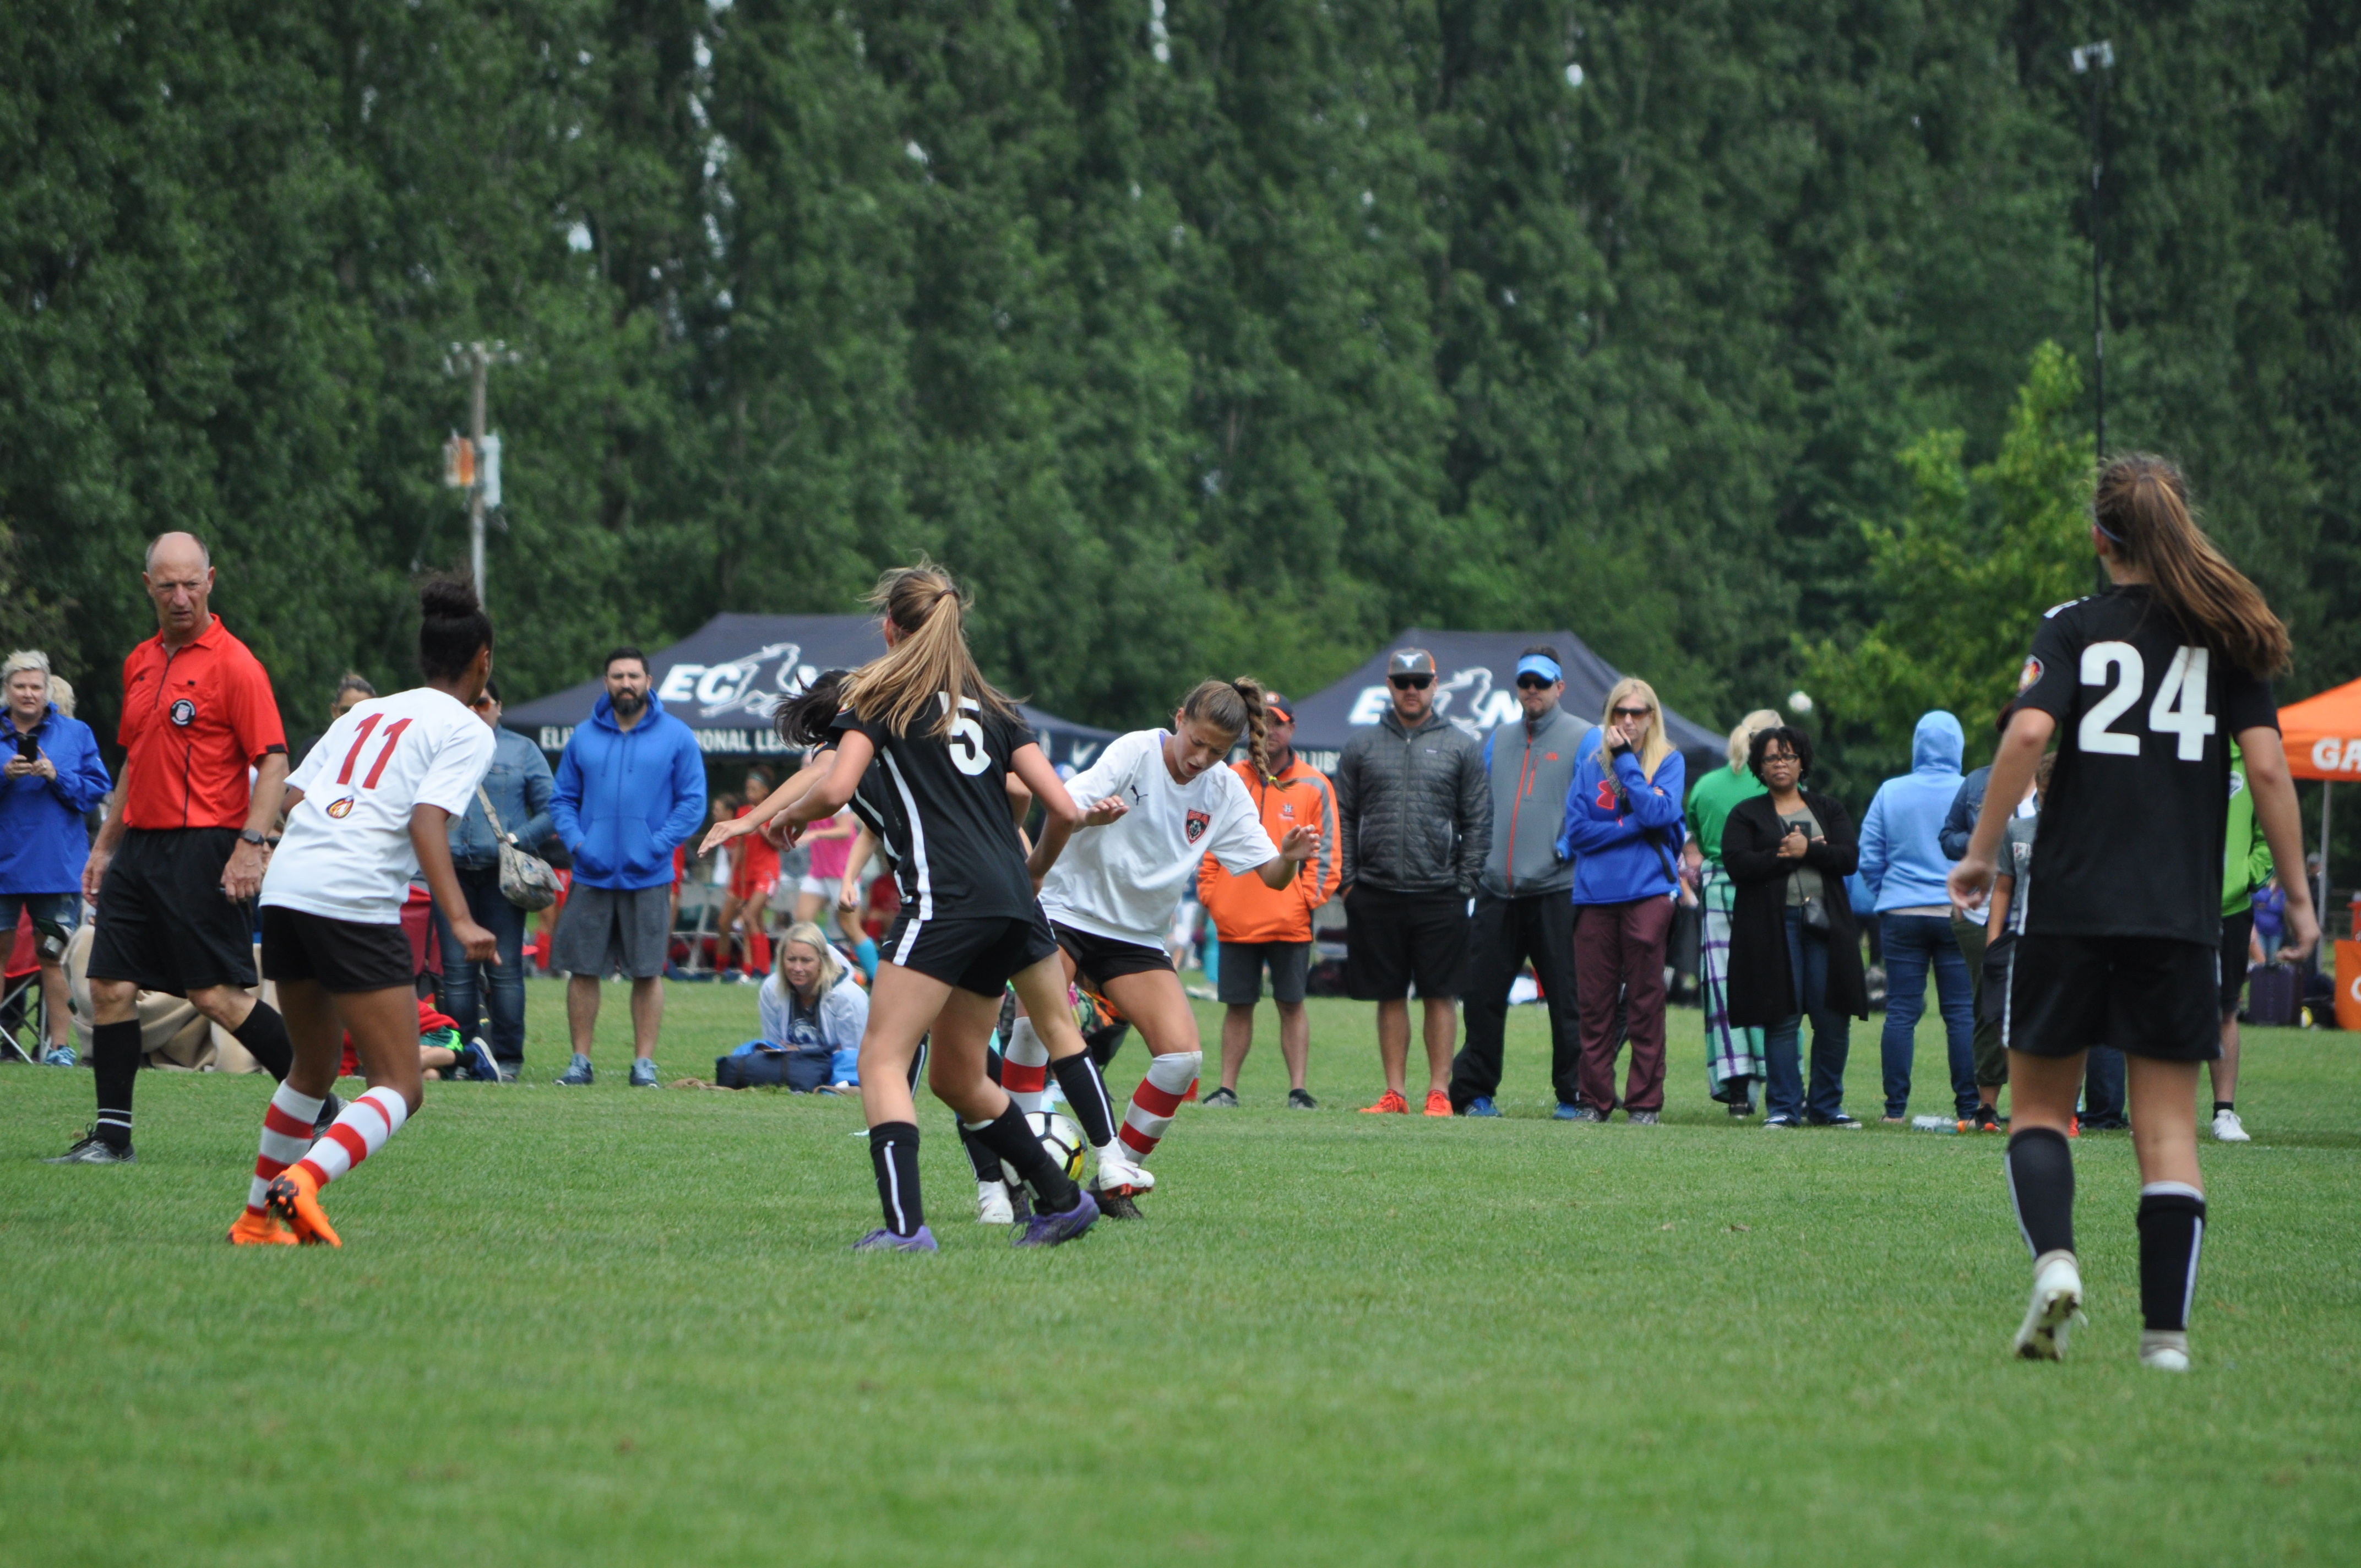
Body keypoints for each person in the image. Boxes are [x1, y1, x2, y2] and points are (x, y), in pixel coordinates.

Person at [1950, 453, 2318, 1371]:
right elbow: (2268, 769)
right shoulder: (2223, 636)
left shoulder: (2071, 625)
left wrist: (1980, 851)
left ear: (2096, 537)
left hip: (2070, 905)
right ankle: (2163, 1343)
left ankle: (2055, 1261)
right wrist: (2299, 896)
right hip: (2176, 915)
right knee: (2165, 1131)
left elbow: (2027, 730)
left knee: (2037, 1110)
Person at [758, 564, 1105, 1250]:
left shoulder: (880, 697)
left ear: (889, 626)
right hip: (1011, 904)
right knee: (954, 1075)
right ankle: (1061, 1200)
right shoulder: (996, 707)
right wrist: (1029, 873)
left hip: (946, 900)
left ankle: (904, 1228)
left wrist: (785, 819)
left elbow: (837, 787)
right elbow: (1063, 807)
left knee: (881, 1059)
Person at [228, 578, 499, 1245]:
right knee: (401, 1084)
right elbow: (427, 819)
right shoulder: (467, 728)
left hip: (289, 887)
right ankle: (304, 1181)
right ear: (483, 661)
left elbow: (290, 792)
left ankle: (257, 1219)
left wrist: (255, 844)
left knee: (311, 1068)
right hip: (351, 897)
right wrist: (461, 919)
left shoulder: (363, 714)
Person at [50, 532, 301, 1165]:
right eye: (168, 586)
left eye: (192, 584)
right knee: (107, 984)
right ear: (149, 588)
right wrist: (104, 847)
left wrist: (251, 844)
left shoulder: (236, 663)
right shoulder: (140, 660)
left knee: (215, 996)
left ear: (211, 581)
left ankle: (321, 1105)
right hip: (140, 849)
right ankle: (112, 1138)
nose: (181, 597)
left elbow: (272, 761)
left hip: (205, 845)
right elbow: (136, 757)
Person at [1036, 678, 1321, 1206]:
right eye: (1197, 741)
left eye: (1217, 751)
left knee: (1182, 1058)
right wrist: (1089, 817)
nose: (1201, 758)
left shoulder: (1225, 788)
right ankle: (1016, 1176)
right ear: (1180, 717)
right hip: (1067, 911)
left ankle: (1112, 1181)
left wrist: (1290, 855)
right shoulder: (1134, 750)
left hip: (1136, 936)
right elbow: (1064, 806)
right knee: (1037, 1030)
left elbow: (1273, 877)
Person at [1333, 649, 1491, 1117]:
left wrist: (1465, 882)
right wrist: (1347, 882)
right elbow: (1341, 815)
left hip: (1440, 890)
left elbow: (1478, 819)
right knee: (1389, 992)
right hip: (1376, 889)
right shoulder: (1361, 746)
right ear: (1389, 685)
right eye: (1403, 681)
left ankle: (1439, 1092)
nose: (1411, 689)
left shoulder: (1461, 745)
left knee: (1440, 993)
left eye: (1420, 681)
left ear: (1435, 685)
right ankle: (1395, 1092)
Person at [547, 647, 706, 1087]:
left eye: (634, 675)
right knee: (582, 969)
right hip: (591, 872)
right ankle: (580, 1061)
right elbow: (561, 799)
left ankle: (644, 1064)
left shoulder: (676, 736)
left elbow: (693, 803)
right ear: (606, 683)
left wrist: (656, 845)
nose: (626, 684)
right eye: (617, 676)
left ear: (649, 681)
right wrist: (579, 843)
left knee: (648, 970)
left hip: (650, 873)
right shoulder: (583, 737)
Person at [1440, 650, 1587, 1118]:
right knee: (1482, 997)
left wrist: (1564, 847)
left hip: (1555, 889)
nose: (1533, 691)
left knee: (1567, 999)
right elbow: (1477, 806)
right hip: (1495, 890)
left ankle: (1575, 1094)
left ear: (1560, 687)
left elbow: (1592, 807)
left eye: (1542, 684)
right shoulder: (1498, 738)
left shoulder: (1585, 737)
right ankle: (1474, 1093)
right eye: (1525, 683)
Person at [1198, 692, 1337, 1110]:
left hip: (1289, 921)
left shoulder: (1314, 784)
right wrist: (1213, 896)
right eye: (1260, 722)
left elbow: (1329, 855)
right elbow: (1204, 840)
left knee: (1291, 1004)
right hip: (1235, 918)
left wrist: (1304, 901)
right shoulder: (1226, 777)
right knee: (1237, 1006)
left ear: (1292, 728)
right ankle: (1226, 1089)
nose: (1268, 731)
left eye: (1276, 723)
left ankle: (1298, 1090)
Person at [1721, 727, 1867, 1128]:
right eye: (1771, 758)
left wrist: (1811, 850)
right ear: (1760, 768)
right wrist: (1785, 857)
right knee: (1782, 1015)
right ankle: (1784, 1107)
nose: (1780, 763)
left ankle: (1826, 1106)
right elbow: (1737, 863)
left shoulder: (1829, 808)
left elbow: (1850, 857)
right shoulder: (1747, 814)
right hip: (1773, 927)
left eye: (1788, 756)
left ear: (1802, 762)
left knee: (1832, 1015)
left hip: (1827, 925)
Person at [1557, 678, 1686, 1123]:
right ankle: (1594, 1101)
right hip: (1594, 897)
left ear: (1652, 717)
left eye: (1638, 713)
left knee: (1646, 1002)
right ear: (1609, 716)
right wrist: (1630, 829)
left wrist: (1629, 762)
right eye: (1619, 712)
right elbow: (1577, 833)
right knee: (1595, 1004)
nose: (1628, 721)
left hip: (1648, 894)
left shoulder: (1669, 761)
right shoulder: (1591, 765)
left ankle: (1645, 1103)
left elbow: (1658, 813)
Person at [427, 676, 551, 1081]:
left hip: (503, 877)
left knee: (506, 970)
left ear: (499, 706)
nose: (474, 711)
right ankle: (463, 1060)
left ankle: (509, 1059)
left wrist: (516, 840)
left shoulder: (522, 749)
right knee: (457, 972)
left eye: (482, 703)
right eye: (467, 704)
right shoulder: (437, 746)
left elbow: (553, 809)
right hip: (451, 872)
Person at [1857, 712, 1978, 1124]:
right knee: (1961, 1012)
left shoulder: (1891, 792)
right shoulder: (1971, 790)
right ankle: (1969, 1106)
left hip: (1902, 912)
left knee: (1902, 1012)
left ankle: (1895, 1109)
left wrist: (1889, 893)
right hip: (1957, 911)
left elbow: (1869, 856)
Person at [1, 651, 111, 1067]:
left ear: (48, 690)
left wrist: (55, 776)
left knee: (52, 954)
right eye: (20, 686)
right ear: (7, 690)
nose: (29, 694)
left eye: (36, 686)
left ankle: (59, 1047)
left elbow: (97, 791)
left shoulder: (75, 733)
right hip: (3, 867)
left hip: (55, 869)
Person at [1685, 709, 1781, 1116]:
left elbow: (1696, 833)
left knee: (1725, 990)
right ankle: (1779, 1083)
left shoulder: (1707, 786)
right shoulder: (1781, 787)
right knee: (1773, 988)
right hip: (1769, 890)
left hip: (1720, 890)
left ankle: (1737, 1089)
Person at [1979, 755, 2055, 1133]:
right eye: (2041, 795)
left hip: (2064, 938)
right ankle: (2027, 1097)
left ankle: (2059, 1105)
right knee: (2000, 1014)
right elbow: (2004, 886)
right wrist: (1994, 940)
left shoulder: (2085, 832)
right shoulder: (2018, 830)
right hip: (2019, 936)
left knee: (2058, 1022)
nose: (2045, 803)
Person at [2207, 743, 2272, 1142]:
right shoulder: (2180, 747)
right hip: (2176, 904)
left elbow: (2267, 835)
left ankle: (2224, 1113)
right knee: (2166, 1004)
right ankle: (2163, 1110)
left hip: (2231, 907)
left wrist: (2247, 875)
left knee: (2226, 1007)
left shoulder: (2252, 759)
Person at [757, 921, 871, 1080]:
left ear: (822, 962)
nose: (797, 968)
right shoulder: (771, 989)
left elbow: (853, 1056)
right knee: (747, 1050)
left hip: (836, 1067)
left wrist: (799, 1053)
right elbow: (774, 1048)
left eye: (806, 961)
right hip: (797, 1063)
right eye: (791, 959)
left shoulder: (849, 997)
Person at [719, 767, 780, 980]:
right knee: (753, 922)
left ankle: (760, 971)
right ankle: (751, 969)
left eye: (754, 789)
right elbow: (740, 847)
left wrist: (761, 826)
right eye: (748, 789)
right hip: (749, 873)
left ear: (765, 791)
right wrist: (734, 876)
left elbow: (778, 844)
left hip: (768, 872)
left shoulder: (772, 810)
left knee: (749, 916)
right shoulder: (743, 812)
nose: (750, 793)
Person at [2250, 872, 2286, 963]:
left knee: (2272, 958)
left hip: (2276, 932)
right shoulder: (2258, 891)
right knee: (2261, 958)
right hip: (2260, 930)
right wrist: (2270, 891)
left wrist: (2265, 907)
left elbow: (2281, 909)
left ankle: (2271, 977)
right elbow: (2260, 899)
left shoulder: (2281, 893)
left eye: (2272, 878)